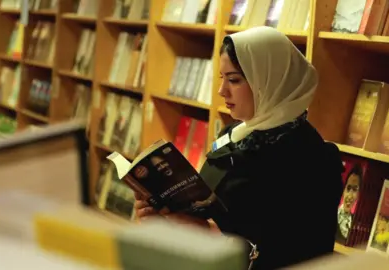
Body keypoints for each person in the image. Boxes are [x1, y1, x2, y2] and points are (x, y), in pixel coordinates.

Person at [134, 26, 344, 270]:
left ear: (269, 80)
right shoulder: (234, 134)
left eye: (234, 80)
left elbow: (297, 253)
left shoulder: (310, 159)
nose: (222, 90)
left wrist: (208, 233)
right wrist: (163, 218)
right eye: (222, 78)